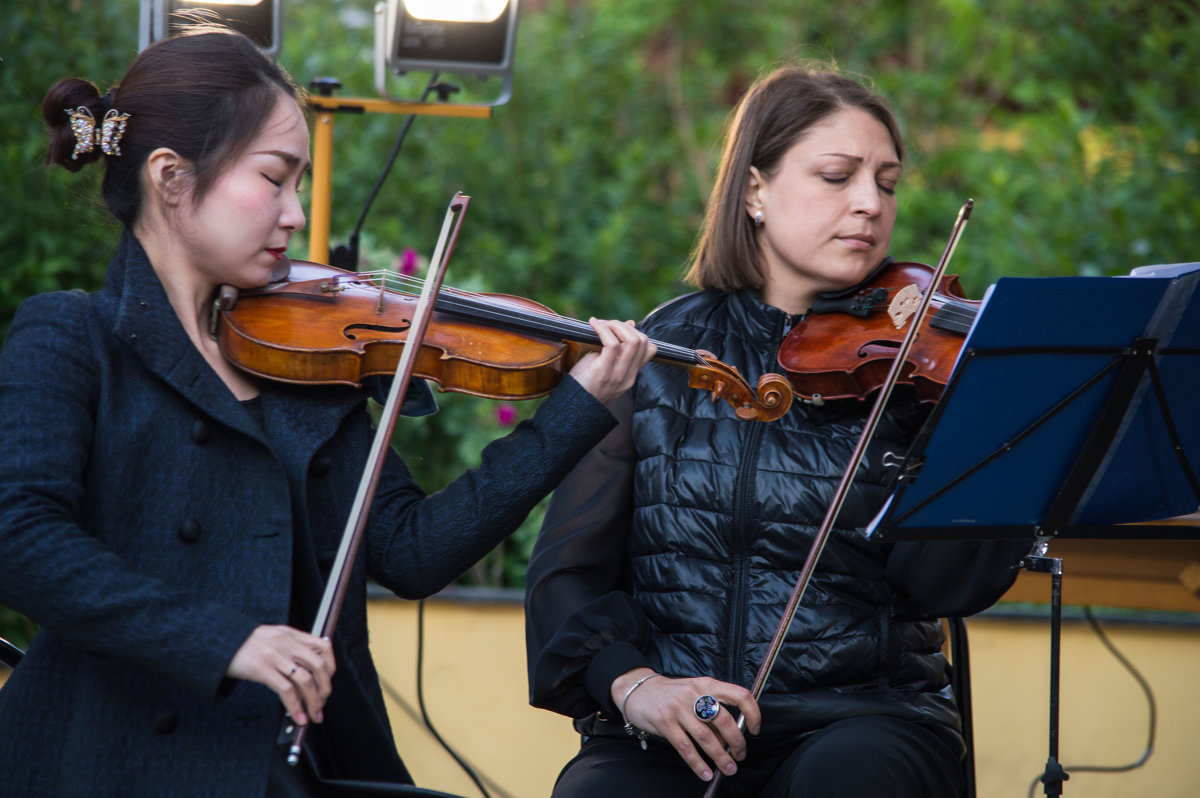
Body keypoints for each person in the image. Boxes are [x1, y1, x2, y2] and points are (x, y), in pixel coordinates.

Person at [0, 25, 656, 798]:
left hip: (295, 764)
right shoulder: (75, 337)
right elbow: (20, 536)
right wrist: (227, 642)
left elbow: (412, 552)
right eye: (275, 178)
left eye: (300, 183)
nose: (295, 213)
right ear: (172, 178)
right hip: (111, 761)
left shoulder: (303, 362)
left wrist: (574, 412)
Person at [524, 63, 1031, 797]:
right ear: (755, 191)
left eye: (886, 183)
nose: (869, 204)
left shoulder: (917, 370)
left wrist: (984, 428)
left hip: (865, 717)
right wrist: (636, 688)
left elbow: (943, 586)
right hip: (680, 722)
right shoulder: (666, 352)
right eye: (837, 176)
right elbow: (567, 572)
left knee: (850, 780)